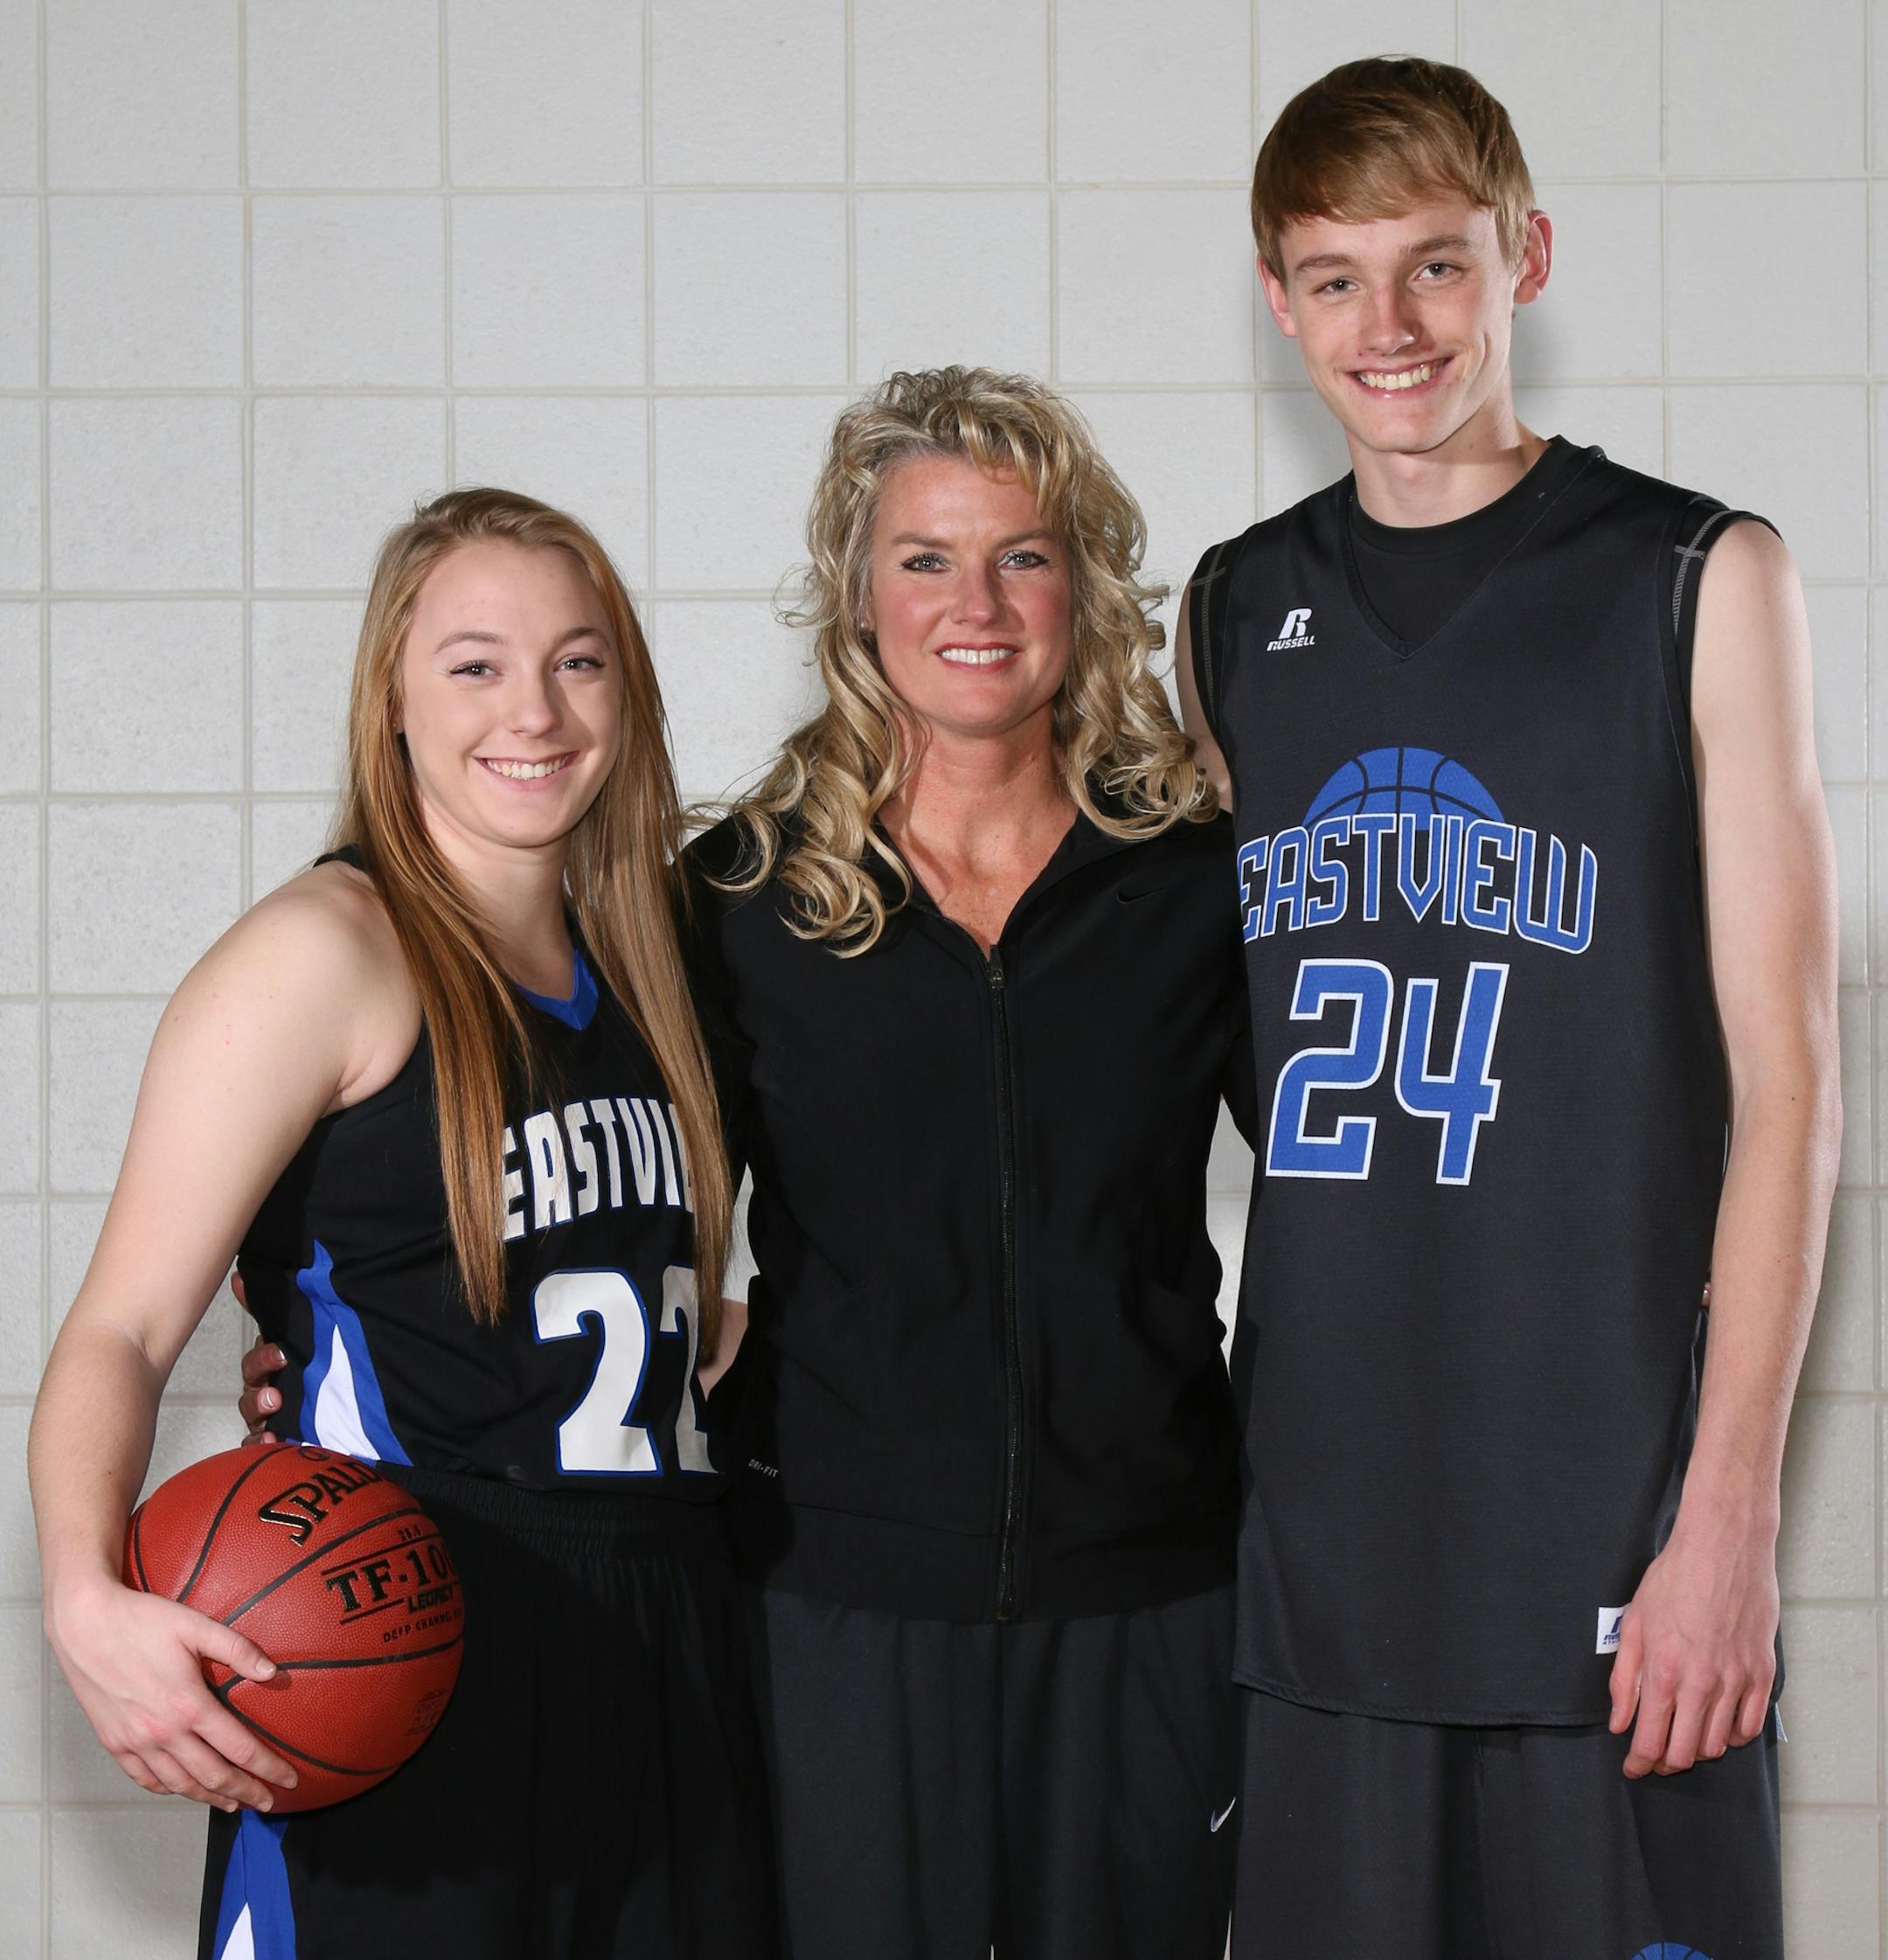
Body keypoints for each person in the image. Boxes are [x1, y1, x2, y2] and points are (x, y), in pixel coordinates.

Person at [1178, 57, 1840, 1960]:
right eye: (1334, 276)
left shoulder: (1699, 575)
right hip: (1320, 1556)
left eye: (1436, 264)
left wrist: (1727, 1522)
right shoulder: (1230, 613)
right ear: (1277, 295)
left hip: (1613, 1544)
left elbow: (1792, 1087)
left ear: (1526, 257)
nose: (1387, 325)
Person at [31, 489, 776, 1960]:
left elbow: (636, 1293)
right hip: (404, 1643)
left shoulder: (667, 963)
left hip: (671, 1650)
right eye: (475, 664)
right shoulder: (320, 955)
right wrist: (78, 1589)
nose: (534, 711)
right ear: (393, 696)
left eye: (577, 661)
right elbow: (120, 1326)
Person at [688, 365, 1255, 1960]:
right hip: (832, 1592)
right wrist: (328, 1323)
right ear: (857, 595)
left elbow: (1364, 1176)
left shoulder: (1197, 878)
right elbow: (617, 1209)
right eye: (926, 558)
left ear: (1086, 588)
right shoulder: (741, 896)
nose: (977, 604)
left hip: (1147, 1587)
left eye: (1024, 555)